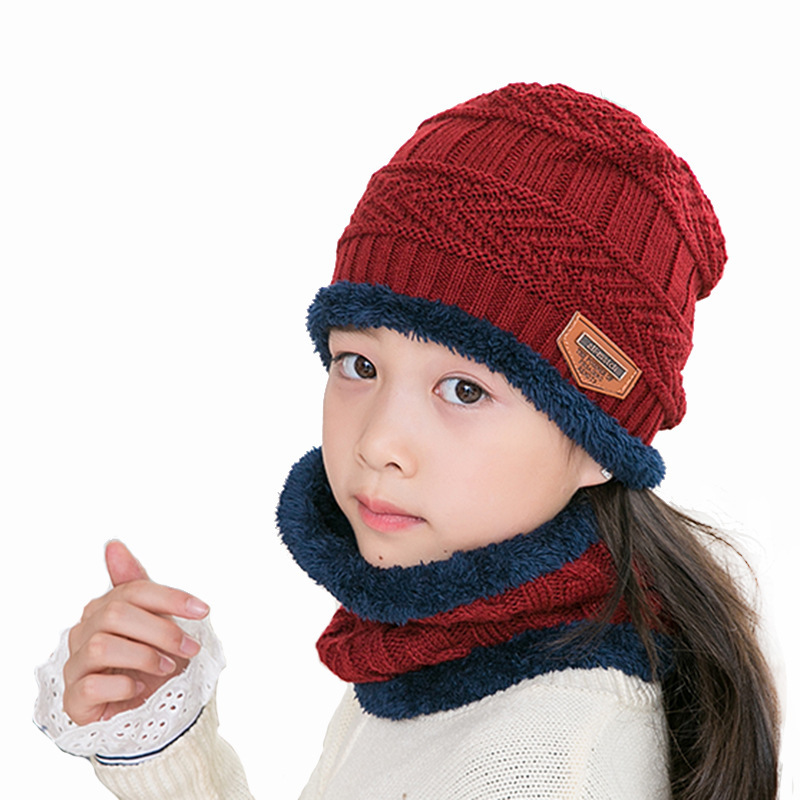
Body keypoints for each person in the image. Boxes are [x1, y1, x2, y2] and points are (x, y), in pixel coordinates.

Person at [35, 82, 780, 799]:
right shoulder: (452, 650)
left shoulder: (539, 764)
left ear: (598, 441)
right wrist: (159, 741)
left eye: (465, 390)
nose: (379, 442)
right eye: (359, 365)